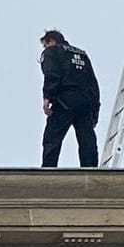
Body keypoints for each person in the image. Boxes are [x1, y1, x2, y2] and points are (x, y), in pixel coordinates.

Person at [39, 30, 101, 168]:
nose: (44, 48)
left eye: (45, 45)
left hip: (65, 100)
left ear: (51, 41)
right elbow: (93, 83)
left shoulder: (52, 52)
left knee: (52, 137)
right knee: (87, 139)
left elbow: (52, 74)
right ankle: (91, 170)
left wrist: (47, 97)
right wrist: (95, 112)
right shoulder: (82, 54)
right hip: (85, 102)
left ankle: (48, 170)